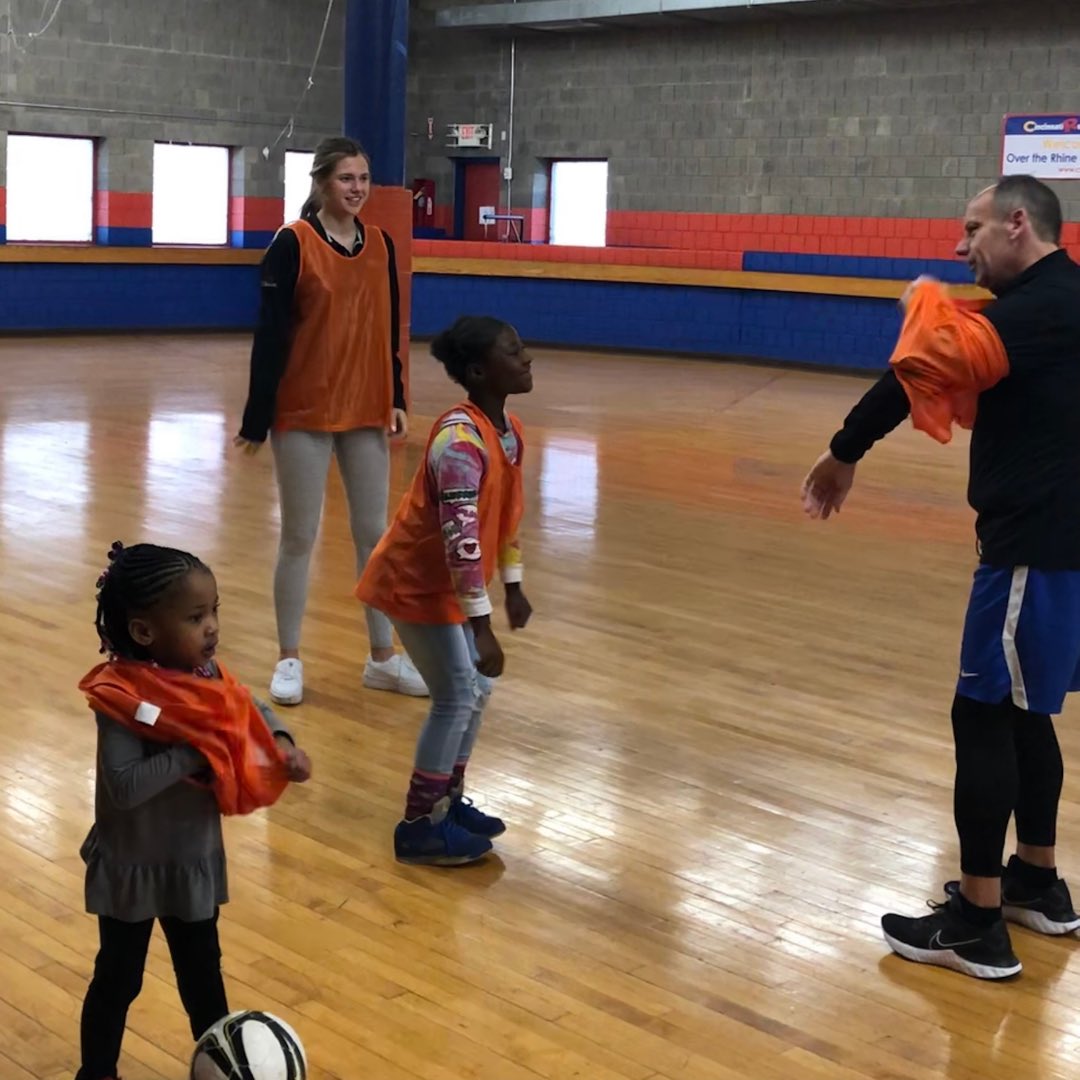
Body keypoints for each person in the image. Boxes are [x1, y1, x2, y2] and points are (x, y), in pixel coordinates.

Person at [801, 174, 1080, 981]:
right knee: (1029, 715)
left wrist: (843, 450)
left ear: (1018, 224)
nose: (960, 249)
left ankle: (978, 921)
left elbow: (918, 365)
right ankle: (1036, 880)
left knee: (982, 714)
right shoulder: (1059, 305)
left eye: (972, 231)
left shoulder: (1035, 312)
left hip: (1032, 549)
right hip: (1060, 546)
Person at [75, 542, 312, 1080]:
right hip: (133, 865)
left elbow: (249, 706)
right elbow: (123, 785)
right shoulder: (121, 700)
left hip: (191, 860)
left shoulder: (207, 679)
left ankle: (232, 1070)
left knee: (204, 980)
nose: (211, 627)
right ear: (143, 632)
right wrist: (197, 746)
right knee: (118, 979)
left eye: (214, 611)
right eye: (195, 617)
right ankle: (96, 1073)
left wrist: (280, 741)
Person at [235, 135, 427, 706]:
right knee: (299, 535)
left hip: (366, 406)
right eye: (347, 179)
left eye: (364, 179)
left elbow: (390, 326)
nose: (358, 189)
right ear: (322, 183)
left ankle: (383, 657)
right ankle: (288, 656)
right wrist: (256, 417)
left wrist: (395, 393)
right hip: (303, 408)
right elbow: (269, 335)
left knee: (375, 535)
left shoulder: (383, 245)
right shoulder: (291, 244)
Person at [356, 316, 534, 865]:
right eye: (514, 351)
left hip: (453, 585)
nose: (527, 359)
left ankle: (448, 802)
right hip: (415, 582)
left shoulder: (508, 432)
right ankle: (419, 824)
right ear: (480, 371)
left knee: (477, 693)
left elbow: (502, 518)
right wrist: (481, 629)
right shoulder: (459, 443)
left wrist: (513, 585)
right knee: (458, 694)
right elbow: (460, 540)